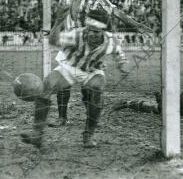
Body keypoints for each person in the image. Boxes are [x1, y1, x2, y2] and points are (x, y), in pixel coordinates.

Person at [50, 0, 152, 128]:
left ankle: (92, 118)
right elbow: (69, 22)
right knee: (63, 83)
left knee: (88, 88)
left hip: (88, 45)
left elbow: (115, 12)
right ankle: (62, 118)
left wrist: (135, 25)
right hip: (72, 45)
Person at [20, 9, 128, 148]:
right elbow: (53, 40)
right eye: (89, 29)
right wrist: (58, 22)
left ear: (103, 31)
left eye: (95, 31)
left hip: (92, 70)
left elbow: (120, 56)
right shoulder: (77, 35)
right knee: (45, 87)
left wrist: (123, 66)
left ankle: (88, 135)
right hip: (70, 66)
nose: (90, 34)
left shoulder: (111, 41)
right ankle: (37, 134)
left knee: (97, 90)